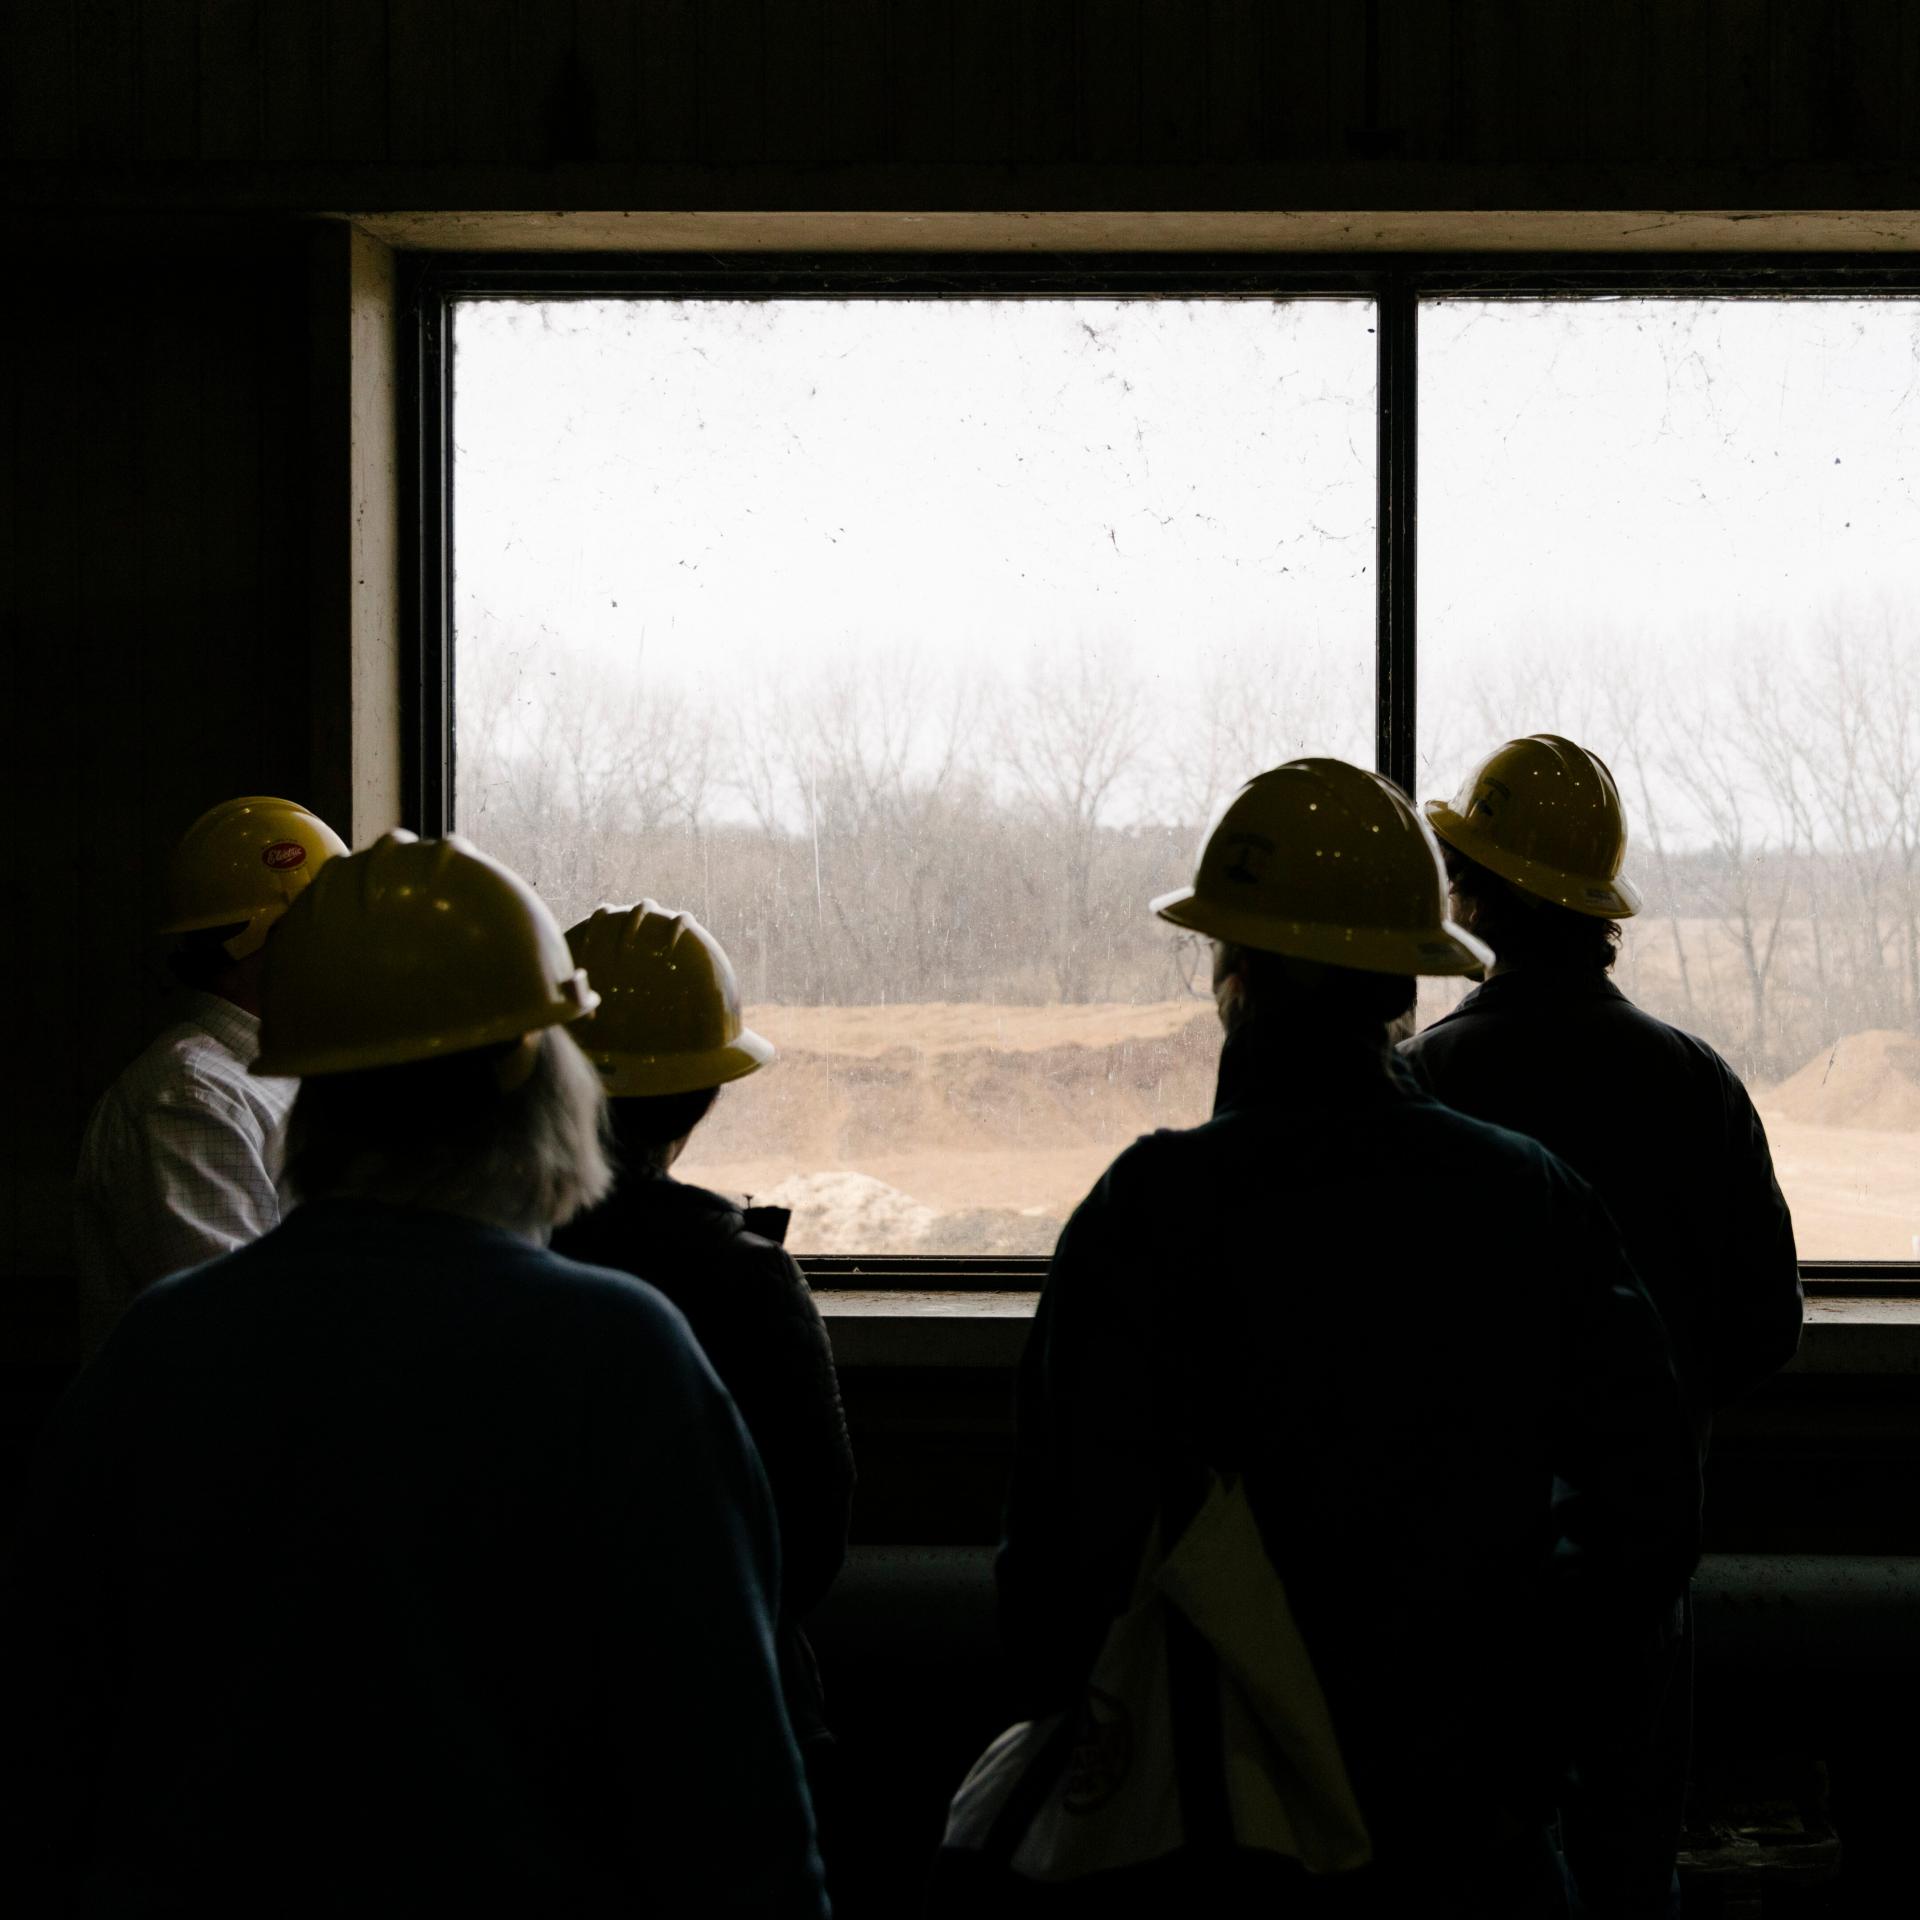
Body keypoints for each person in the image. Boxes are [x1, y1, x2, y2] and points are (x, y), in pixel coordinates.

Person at [5, 833, 828, 1918]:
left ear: (305, 1089)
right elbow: (729, 1808)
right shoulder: (620, 1359)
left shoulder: (154, 1356)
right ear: (533, 1075)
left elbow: (48, 1752)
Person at [996, 759, 1702, 1915]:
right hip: (1468, 1844)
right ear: (1402, 984)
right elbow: (1651, 1507)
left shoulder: (1150, 1212)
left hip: (1212, 1840)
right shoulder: (1530, 1200)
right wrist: (1520, 1728)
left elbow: (1058, 1556)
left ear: (1231, 971)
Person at [1402, 733, 1804, 1917]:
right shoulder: (1697, 1086)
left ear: (1477, 899)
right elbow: (1766, 1326)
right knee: (1629, 1881)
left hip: (1454, 1596)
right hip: (1640, 1587)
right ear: (1599, 912)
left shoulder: (1426, 1090)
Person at [552, 901, 855, 1780]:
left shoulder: (484, 1253)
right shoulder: (743, 1276)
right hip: (726, 1721)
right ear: (707, 1094)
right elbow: (808, 1543)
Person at [73, 794, 348, 1351]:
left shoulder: (275, 1077)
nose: (348, 950)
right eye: (330, 925)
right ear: (272, 939)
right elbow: (236, 1336)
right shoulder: (189, 1099)